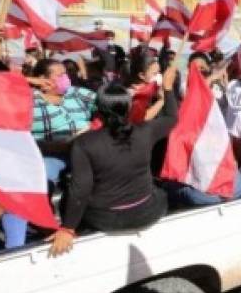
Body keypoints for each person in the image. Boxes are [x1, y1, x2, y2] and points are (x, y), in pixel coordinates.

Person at [58, 65, 179, 248]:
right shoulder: (145, 131)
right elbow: (172, 118)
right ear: (129, 106)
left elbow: (80, 190)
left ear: (99, 109)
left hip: (105, 219)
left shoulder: (84, 144)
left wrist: (67, 228)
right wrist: (168, 89)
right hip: (148, 211)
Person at [30, 58, 97, 189]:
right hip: (50, 154)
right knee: (43, 181)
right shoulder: (30, 100)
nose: (65, 78)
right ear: (42, 78)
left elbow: (106, 102)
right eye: (60, 75)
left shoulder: (76, 93)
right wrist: (28, 80)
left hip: (86, 151)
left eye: (65, 74)